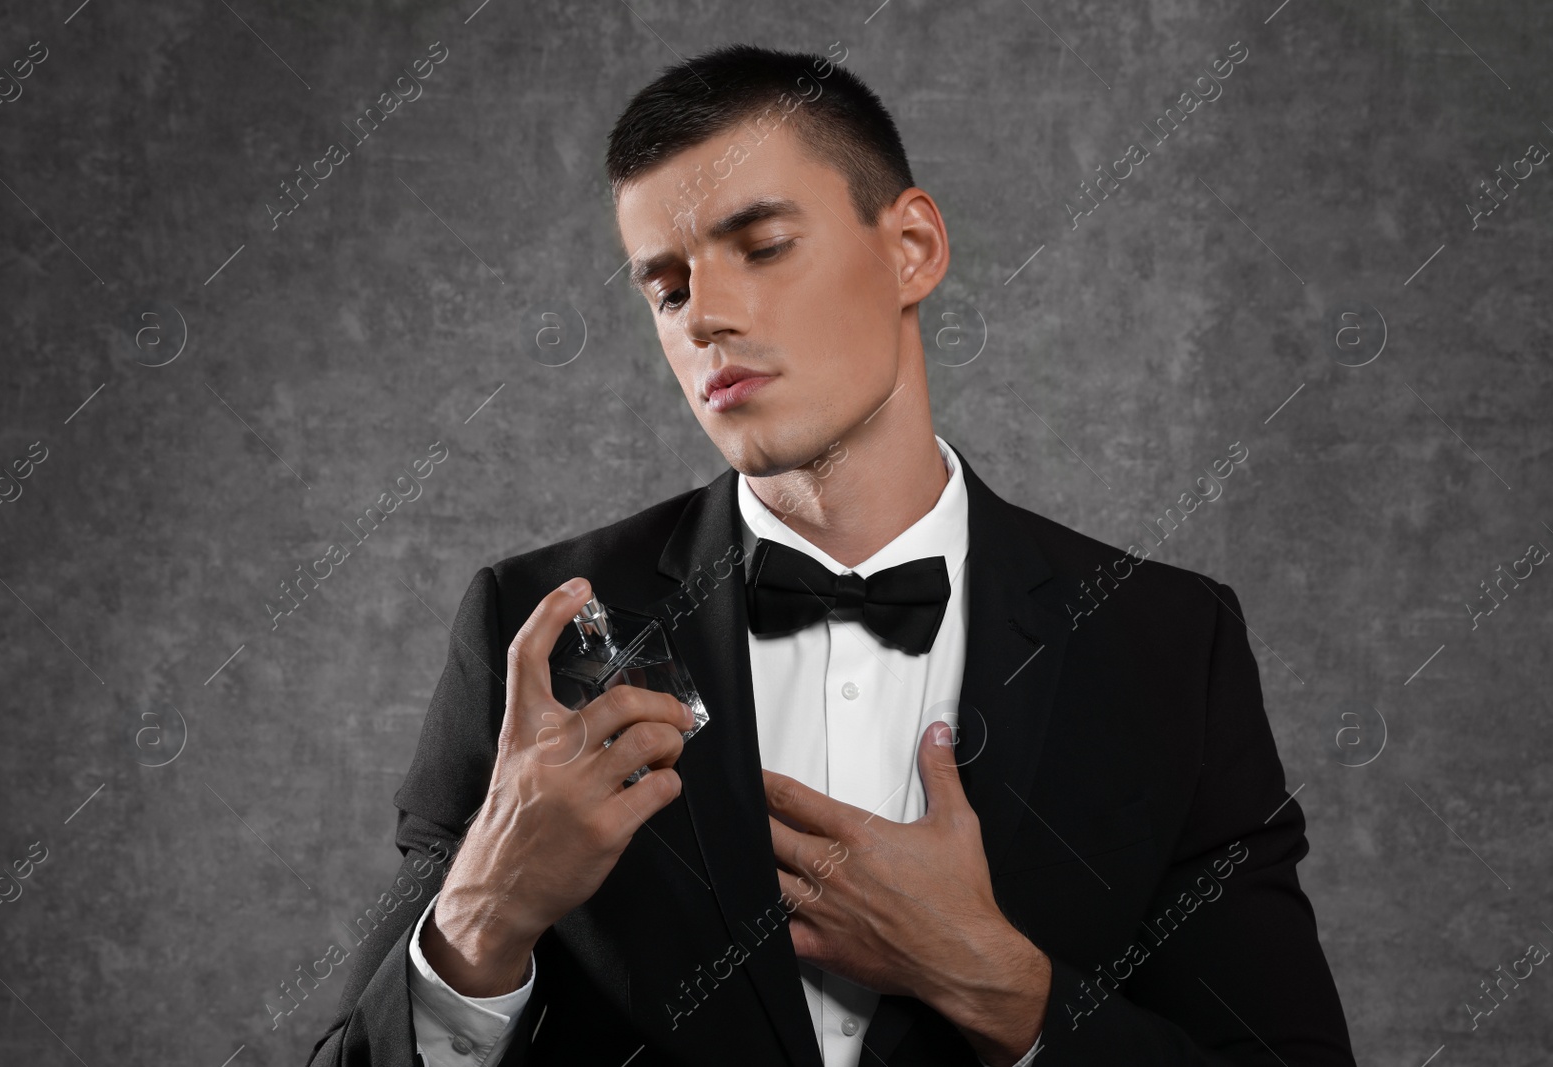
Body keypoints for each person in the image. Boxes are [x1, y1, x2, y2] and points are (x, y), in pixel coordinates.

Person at [307, 43, 1356, 1066]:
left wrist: (1000, 986)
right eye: (666, 288)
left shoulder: (1164, 641)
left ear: (911, 248)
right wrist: (483, 919)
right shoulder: (536, 626)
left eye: (761, 245)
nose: (706, 314)